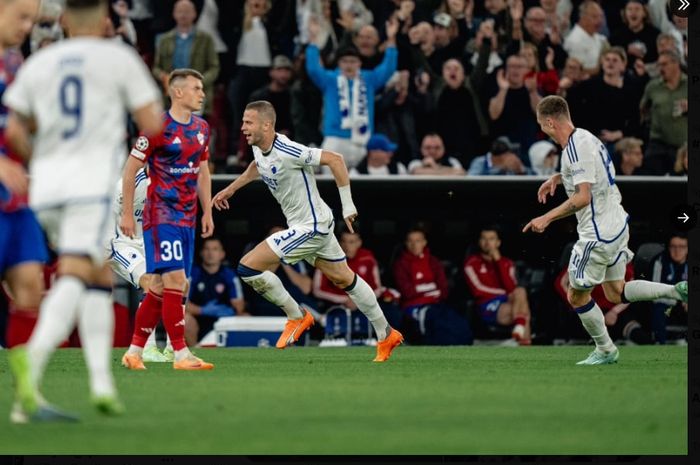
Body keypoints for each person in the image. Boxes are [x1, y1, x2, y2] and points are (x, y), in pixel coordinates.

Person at [3, 0, 163, 420]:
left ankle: (101, 384)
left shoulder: (39, 62)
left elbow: (17, 129)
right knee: (76, 270)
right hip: (89, 185)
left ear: (63, 21)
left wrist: (43, 157)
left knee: (97, 277)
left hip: (46, 186)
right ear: (107, 22)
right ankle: (30, 366)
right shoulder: (117, 57)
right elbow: (153, 123)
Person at [212, 100, 403, 362]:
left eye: (248, 122)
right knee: (344, 278)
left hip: (311, 226)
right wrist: (232, 187)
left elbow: (335, 160)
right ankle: (387, 334)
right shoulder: (259, 148)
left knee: (248, 267)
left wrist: (348, 205)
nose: (242, 127)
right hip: (313, 224)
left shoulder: (288, 149)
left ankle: (297, 316)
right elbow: (257, 167)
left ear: (267, 125)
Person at [523, 95, 688, 365]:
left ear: (551, 121)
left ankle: (605, 349)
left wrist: (547, 217)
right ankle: (677, 291)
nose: (543, 130)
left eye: (542, 125)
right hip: (618, 225)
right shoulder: (587, 137)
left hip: (597, 234)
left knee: (576, 295)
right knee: (615, 291)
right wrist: (559, 177)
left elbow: (582, 197)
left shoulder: (574, 149)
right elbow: (593, 174)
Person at [120, 68, 215, 371]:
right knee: (177, 280)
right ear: (178, 92)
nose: (202, 93)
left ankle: (134, 352)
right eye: (196, 88)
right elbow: (130, 169)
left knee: (163, 286)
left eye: (202, 88)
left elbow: (203, 171)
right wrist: (125, 214)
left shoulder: (202, 127)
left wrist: (208, 209)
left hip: (187, 217)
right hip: (161, 214)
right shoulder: (157, 126)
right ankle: (181, 353)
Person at [0, 0, 50, 424]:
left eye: (32, 19)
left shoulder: (16, 62)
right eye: (21, 17)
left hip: (14, 203)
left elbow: (15, 130)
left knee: (30, 287)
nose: (27, 26)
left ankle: (26, 399)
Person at [306, 17, 398, 171]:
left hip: (361, 141)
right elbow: (313, 69)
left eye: (353, 61)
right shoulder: (330, 79)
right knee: (331, 187)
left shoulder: (369, 79)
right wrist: (313, 40)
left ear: (359, 63)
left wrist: (391, 38)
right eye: (345, 61)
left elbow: (388, 68)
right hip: (334, 140)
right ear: (339, 63)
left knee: (360, 188)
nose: (349, 65)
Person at [106, 168, 174, 363]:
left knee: (177, 283)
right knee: (150, 282)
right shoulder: (128, 185)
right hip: (120, 243)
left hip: (149, 245)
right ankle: (147, 347)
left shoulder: (171, 183)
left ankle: (172, 348)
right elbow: (105, 214)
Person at [392, 227, 472, 346]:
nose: (414, 245)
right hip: (414, 306)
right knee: (435, 321)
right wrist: (431, 289)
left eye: (418, 241)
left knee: (457, 320)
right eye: (410, 241)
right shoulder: (400, 264)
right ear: (406, 243)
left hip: (437, 303)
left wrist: (420, 289)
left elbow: (443, 290)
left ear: (424, 242)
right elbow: (407, 292)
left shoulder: (433, 261)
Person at [463, 226, 532, 344]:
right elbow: (478, 290)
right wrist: (504, 294)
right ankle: (525, 342)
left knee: (520, 291)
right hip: (488, 304)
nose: (487, 243)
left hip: (509, 302)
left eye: (491, 239)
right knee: (524, 312)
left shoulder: (507, 263)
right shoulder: (471, 263)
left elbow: (511, 288)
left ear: (498, 242)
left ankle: (519, 332)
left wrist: (498, 260)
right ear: (479, 242)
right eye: (484, 239)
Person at [152, 0, 219, 118]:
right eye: (180, 11)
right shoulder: (164, 40)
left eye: (187, 12)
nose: (183, 15)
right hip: (171, 91)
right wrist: (164, 77)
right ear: (174, 14)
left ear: (194, 14)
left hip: (196, 93)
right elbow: (156, 68)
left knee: (192, 130)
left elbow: (214, 67)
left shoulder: (205, 39)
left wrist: (199, 82)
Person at [185, 236, 246, 346]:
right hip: (198, 319)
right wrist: (203, 310)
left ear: (222, 254)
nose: (210, 253)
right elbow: (182, 304)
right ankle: (195, 351)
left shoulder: (230, 275)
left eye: (215, 249)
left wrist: (230, 311)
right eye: (207, 249)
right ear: (201, 253)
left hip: (224, 320)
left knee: (246, 318)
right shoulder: (192, 274)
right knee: (185, 318)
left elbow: (239, 306)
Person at [639, 49, 687, 175]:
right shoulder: (653, 86)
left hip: (683, 146)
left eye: (664, 64)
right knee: (650, 177)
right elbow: (642, 109)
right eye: (659, 64)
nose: (660, 68)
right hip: (658, 143)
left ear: (676, 63)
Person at [649, 234, 687, 344]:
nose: (677, 251)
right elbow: (653, 292)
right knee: (659, 309)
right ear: (669, 248)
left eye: (681, 247)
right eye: (673, 246)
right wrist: (680, 299)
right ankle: (660, 344)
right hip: (666, 304)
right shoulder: (660, 261)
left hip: (684, 306)